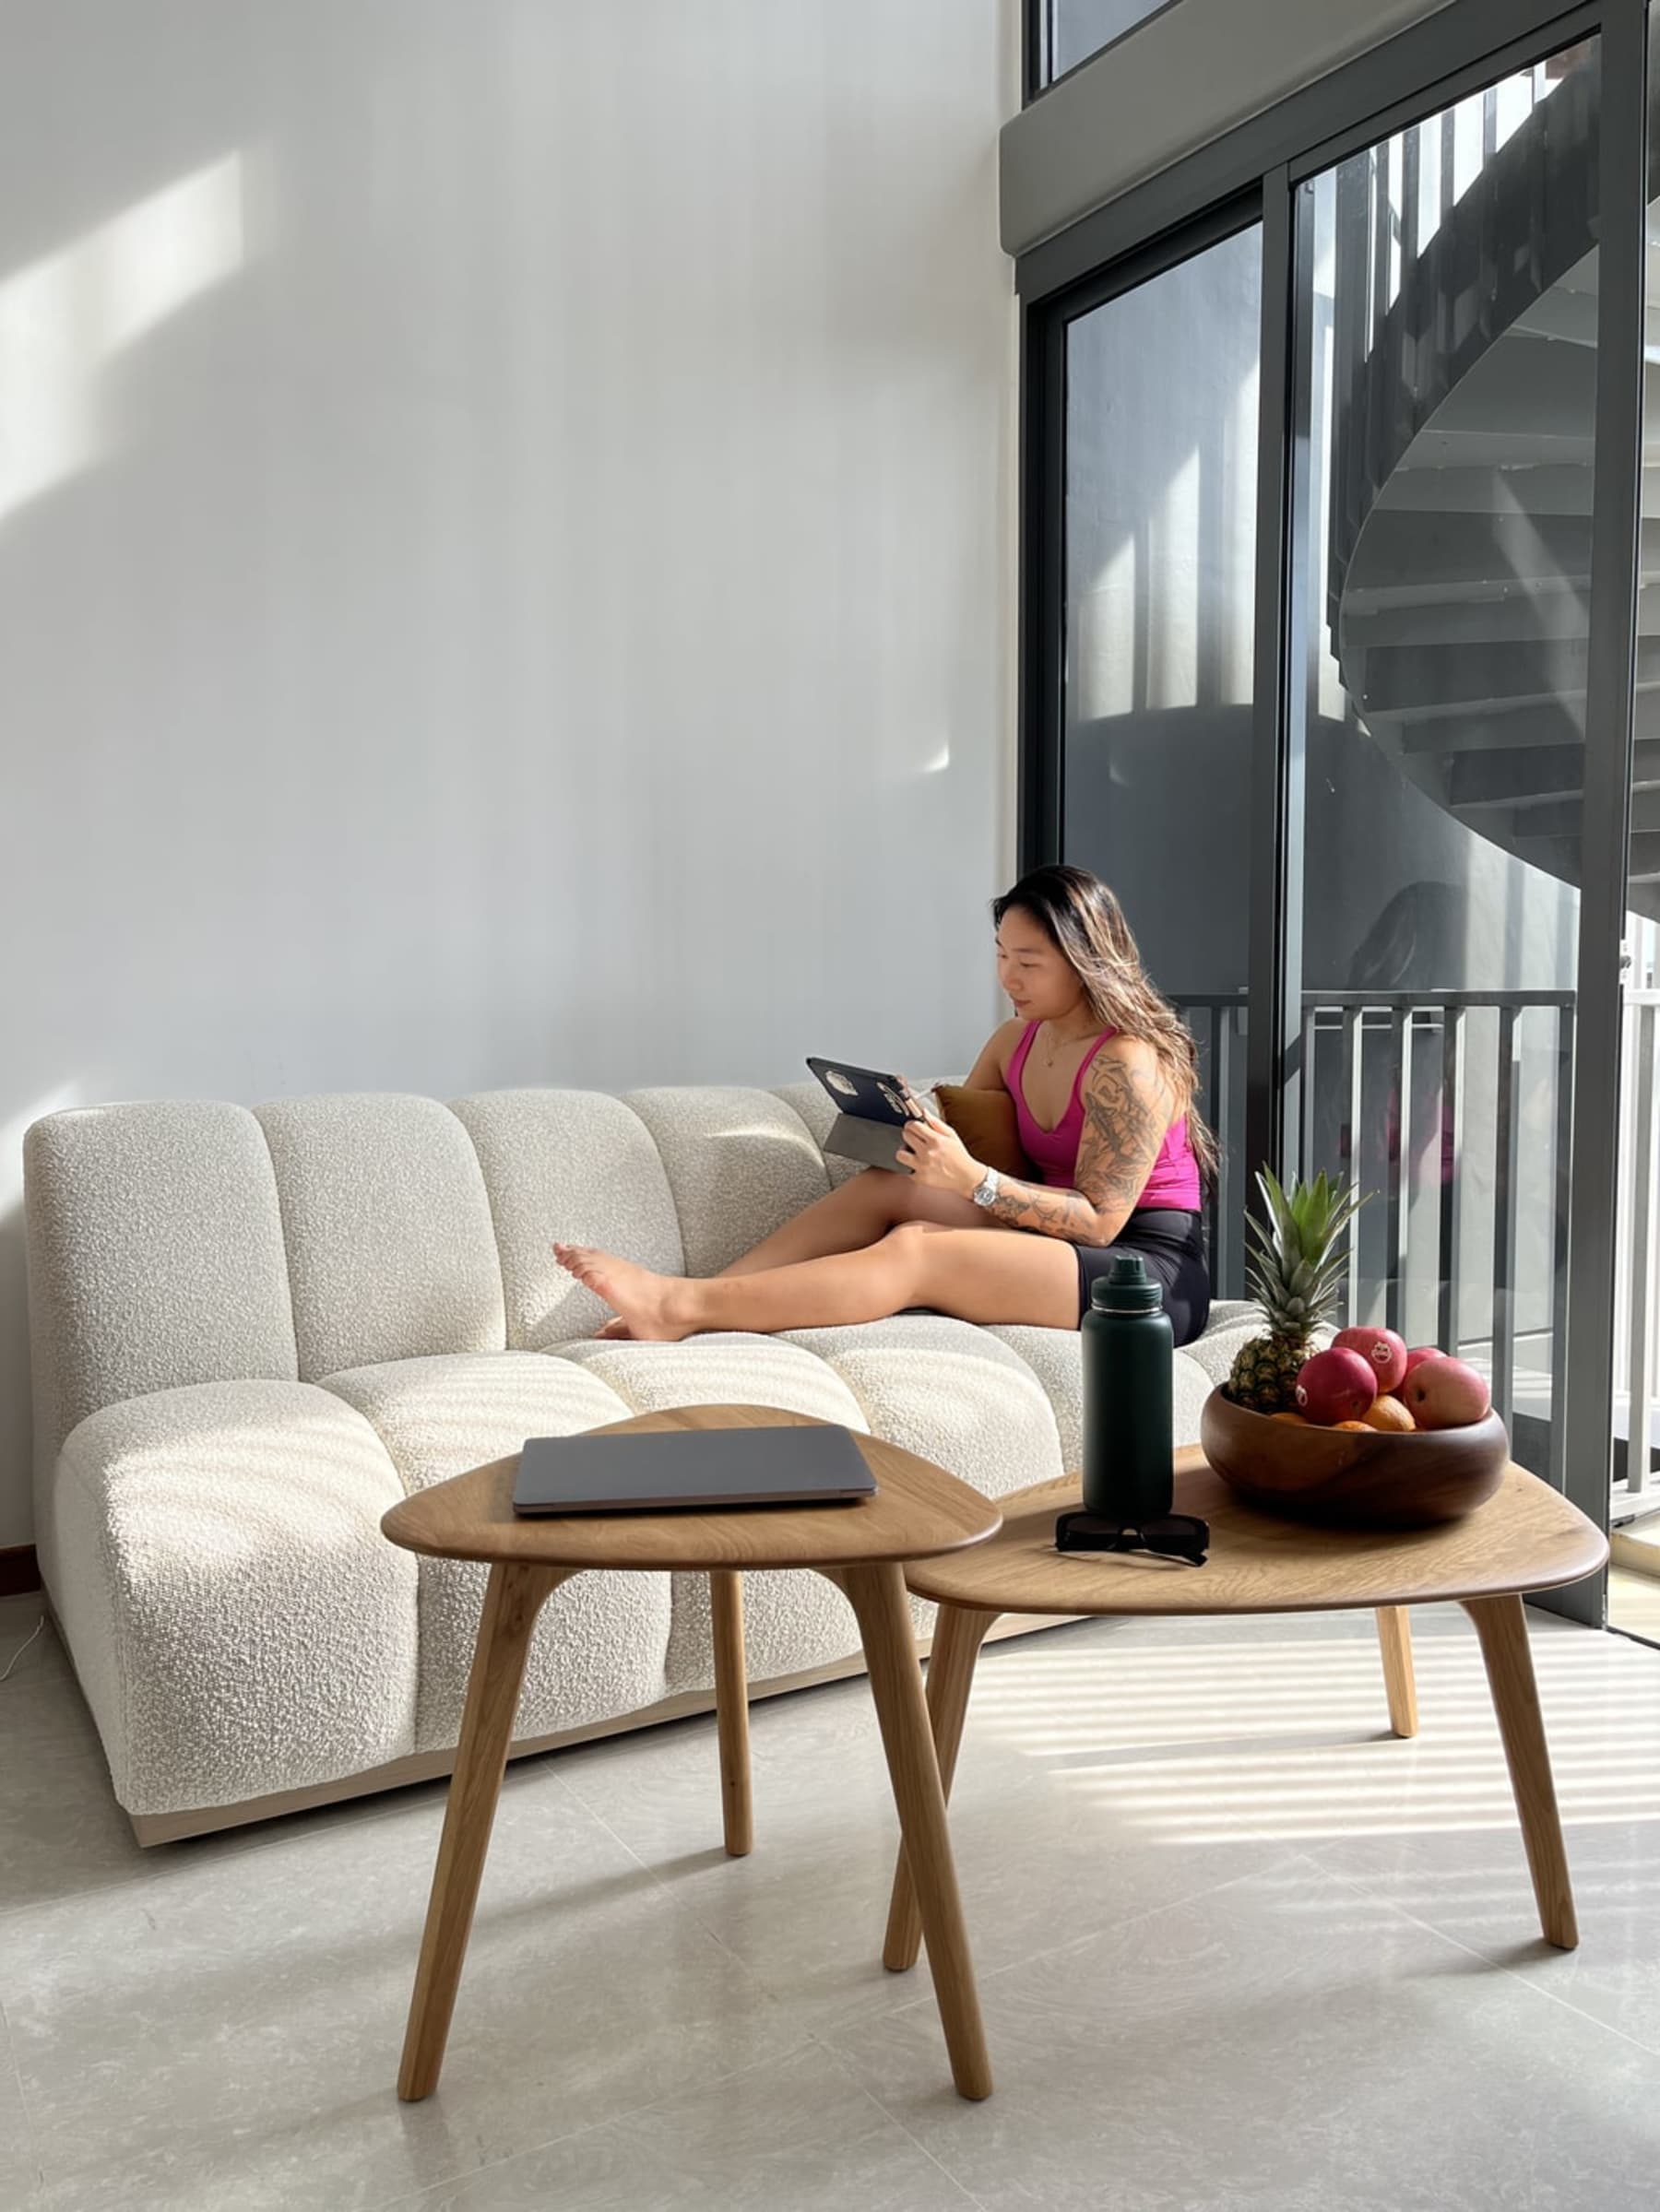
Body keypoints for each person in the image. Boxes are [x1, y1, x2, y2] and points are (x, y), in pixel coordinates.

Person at [554, 864, 1214, 1344]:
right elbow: (968, 1127)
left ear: (1084, 961)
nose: (1008, 977)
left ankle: (679, 1306)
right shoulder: (1018, 1039)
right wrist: (912, 1115)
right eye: (1001, 955)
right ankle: (701, 1307)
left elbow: (1100, 1221)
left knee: (918, 1248)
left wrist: (973, 1181)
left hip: (1142, 1275)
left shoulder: (1128, 1062)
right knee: (884, 1190)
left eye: (1030, 962)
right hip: (1050, 1240)